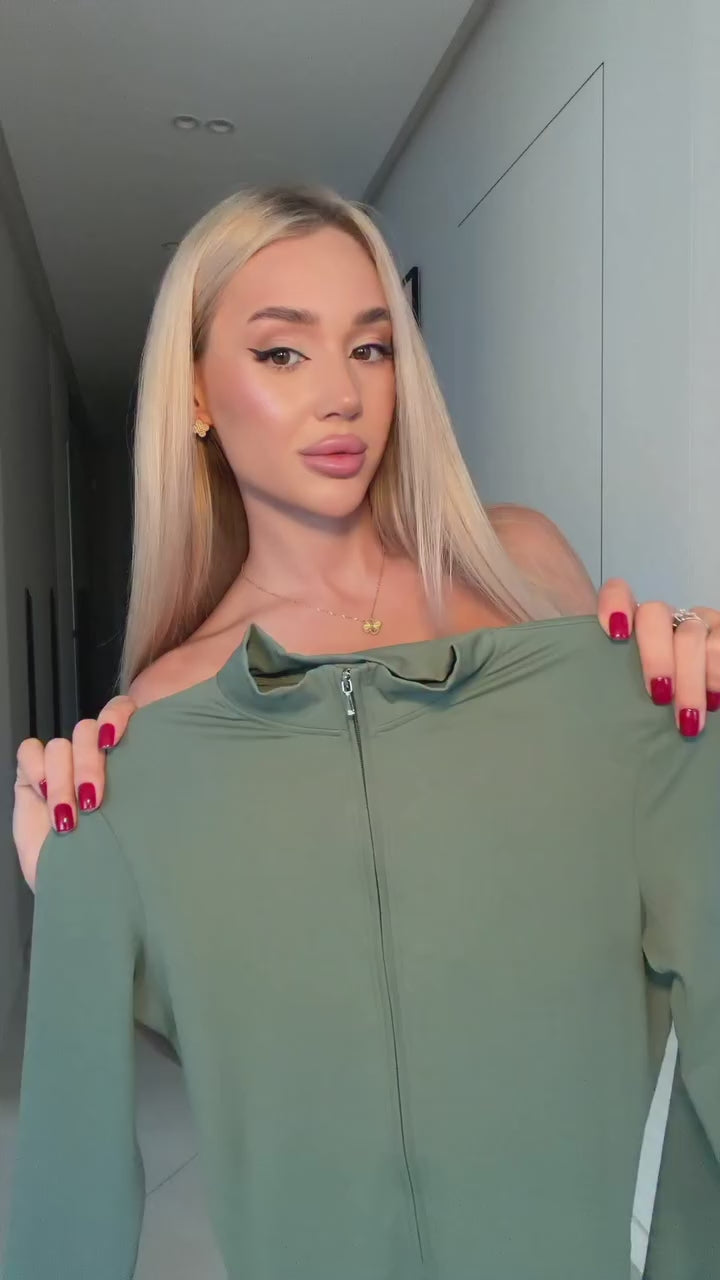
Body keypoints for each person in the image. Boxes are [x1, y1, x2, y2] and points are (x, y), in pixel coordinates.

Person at [5, 184, 720, 1279]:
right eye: (283, 353)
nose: (342, 395)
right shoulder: (167, 710)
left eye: (371, 347)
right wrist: (78, 889)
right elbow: (252, 1062)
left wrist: (691, 695)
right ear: (195, 392)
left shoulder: (525, 570)